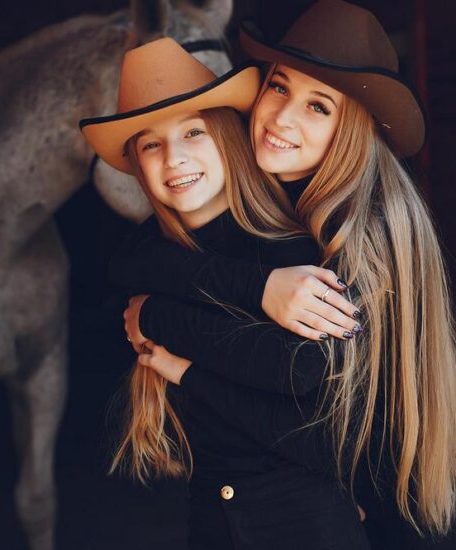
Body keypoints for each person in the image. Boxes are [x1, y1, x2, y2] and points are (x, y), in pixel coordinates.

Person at [95, 1, 456, 548]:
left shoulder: (359, 232)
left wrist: (162, 320)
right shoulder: (278, 195)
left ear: (351, 128)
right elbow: (139, 257)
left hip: (381, 505)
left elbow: (305, 375)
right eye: (280, 87)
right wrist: (253, 291)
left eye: (319, 106)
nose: (283, 118)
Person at [80, 36, 373, 549]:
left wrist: (182, 366)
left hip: (304, 527)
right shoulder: (151, 265)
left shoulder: (290, 253)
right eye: (150, 144)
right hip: (211, 520)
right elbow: (126, 261)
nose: (174, 158)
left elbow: (310, 410)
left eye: (193, 132)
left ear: (227, 138)